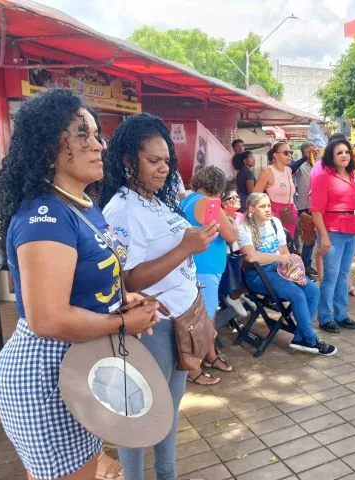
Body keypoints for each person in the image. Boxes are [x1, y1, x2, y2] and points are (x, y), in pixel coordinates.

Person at [0, 89, 160, 480]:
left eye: (97, 134)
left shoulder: (81, 205)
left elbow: (87, 284)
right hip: (46, 375)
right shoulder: (44, 216)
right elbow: (47, 319)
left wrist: (121, 301)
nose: (99, 145)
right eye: (83, 135)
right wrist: (122, 325)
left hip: (79, 366)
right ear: (50, 147)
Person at [100, 113, 217, 478]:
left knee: (169, 411)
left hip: (183, 321)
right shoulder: (121, 209)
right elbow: (129, 279)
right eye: (153, 160)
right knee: (139, 416)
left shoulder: (157, 200)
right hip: (153, 328)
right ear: (127, 161)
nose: (163, 168)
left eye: (166, 160)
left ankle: (167, 474)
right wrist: (186, 247)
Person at [240, 193, 337, 356]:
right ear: (251, 208)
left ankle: (300, 337)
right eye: (262, 206)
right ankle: (311, 339)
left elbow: (285, 251)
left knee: (313, 290)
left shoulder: (275, 222)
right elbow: (251, 256)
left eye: (269, 205)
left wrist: (296, 274)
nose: (268, 209)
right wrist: (279, 258)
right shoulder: (244, 227)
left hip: (280, 269)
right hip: (258, 274)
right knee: (297, 294)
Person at [181, 166, 237, 384]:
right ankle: (193, 369)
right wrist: (230, 220)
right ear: (220, 187)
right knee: (204, 321)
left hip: (194, 267)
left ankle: (210, 356)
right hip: (206, 269)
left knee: (200, 318)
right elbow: (230, 235)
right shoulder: (209, 204)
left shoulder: (187, 199)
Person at [310, 138, 355, 333]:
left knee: (343, 275)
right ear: (331, 157)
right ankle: (325, 317)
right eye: (339, 152)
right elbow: (316, 210)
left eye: (347, 152)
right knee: (330, 276)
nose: (344, 155)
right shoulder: (323, 177)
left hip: (353, 231)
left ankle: (341, 314)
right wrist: (323, 236)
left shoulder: (353, 176)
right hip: (333, 231)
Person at [220, 185, 252, 317]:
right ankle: (234, 296)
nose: (237, 199)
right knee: (253, 269)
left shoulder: (240, 215)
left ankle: (241, 294)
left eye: (237, 196)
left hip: (241, 252)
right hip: (230, 256)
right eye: (232, 198)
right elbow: (230, 239)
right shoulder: (224, 218)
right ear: (223, 203)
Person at [254, 142, 298, 238]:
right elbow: (255, 196)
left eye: (291, 152)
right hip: (274, 213)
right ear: (276, 155)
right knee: (277, 245)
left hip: (290, 212)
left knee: (289, 243)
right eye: (286, 152)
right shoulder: (267, 171)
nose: (290, 155)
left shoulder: (289, 170)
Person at [293, 142, 318, 278]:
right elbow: (291, 169)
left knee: (315, 238)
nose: (313, 152)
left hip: (318, 206)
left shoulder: (319, 165)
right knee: (308, 237)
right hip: (304, 207)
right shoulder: (300, 167)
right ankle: (306, 265)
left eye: (314, 150)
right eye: (309, 150)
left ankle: (308, 263)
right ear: (303, 152)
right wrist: (304, 158)